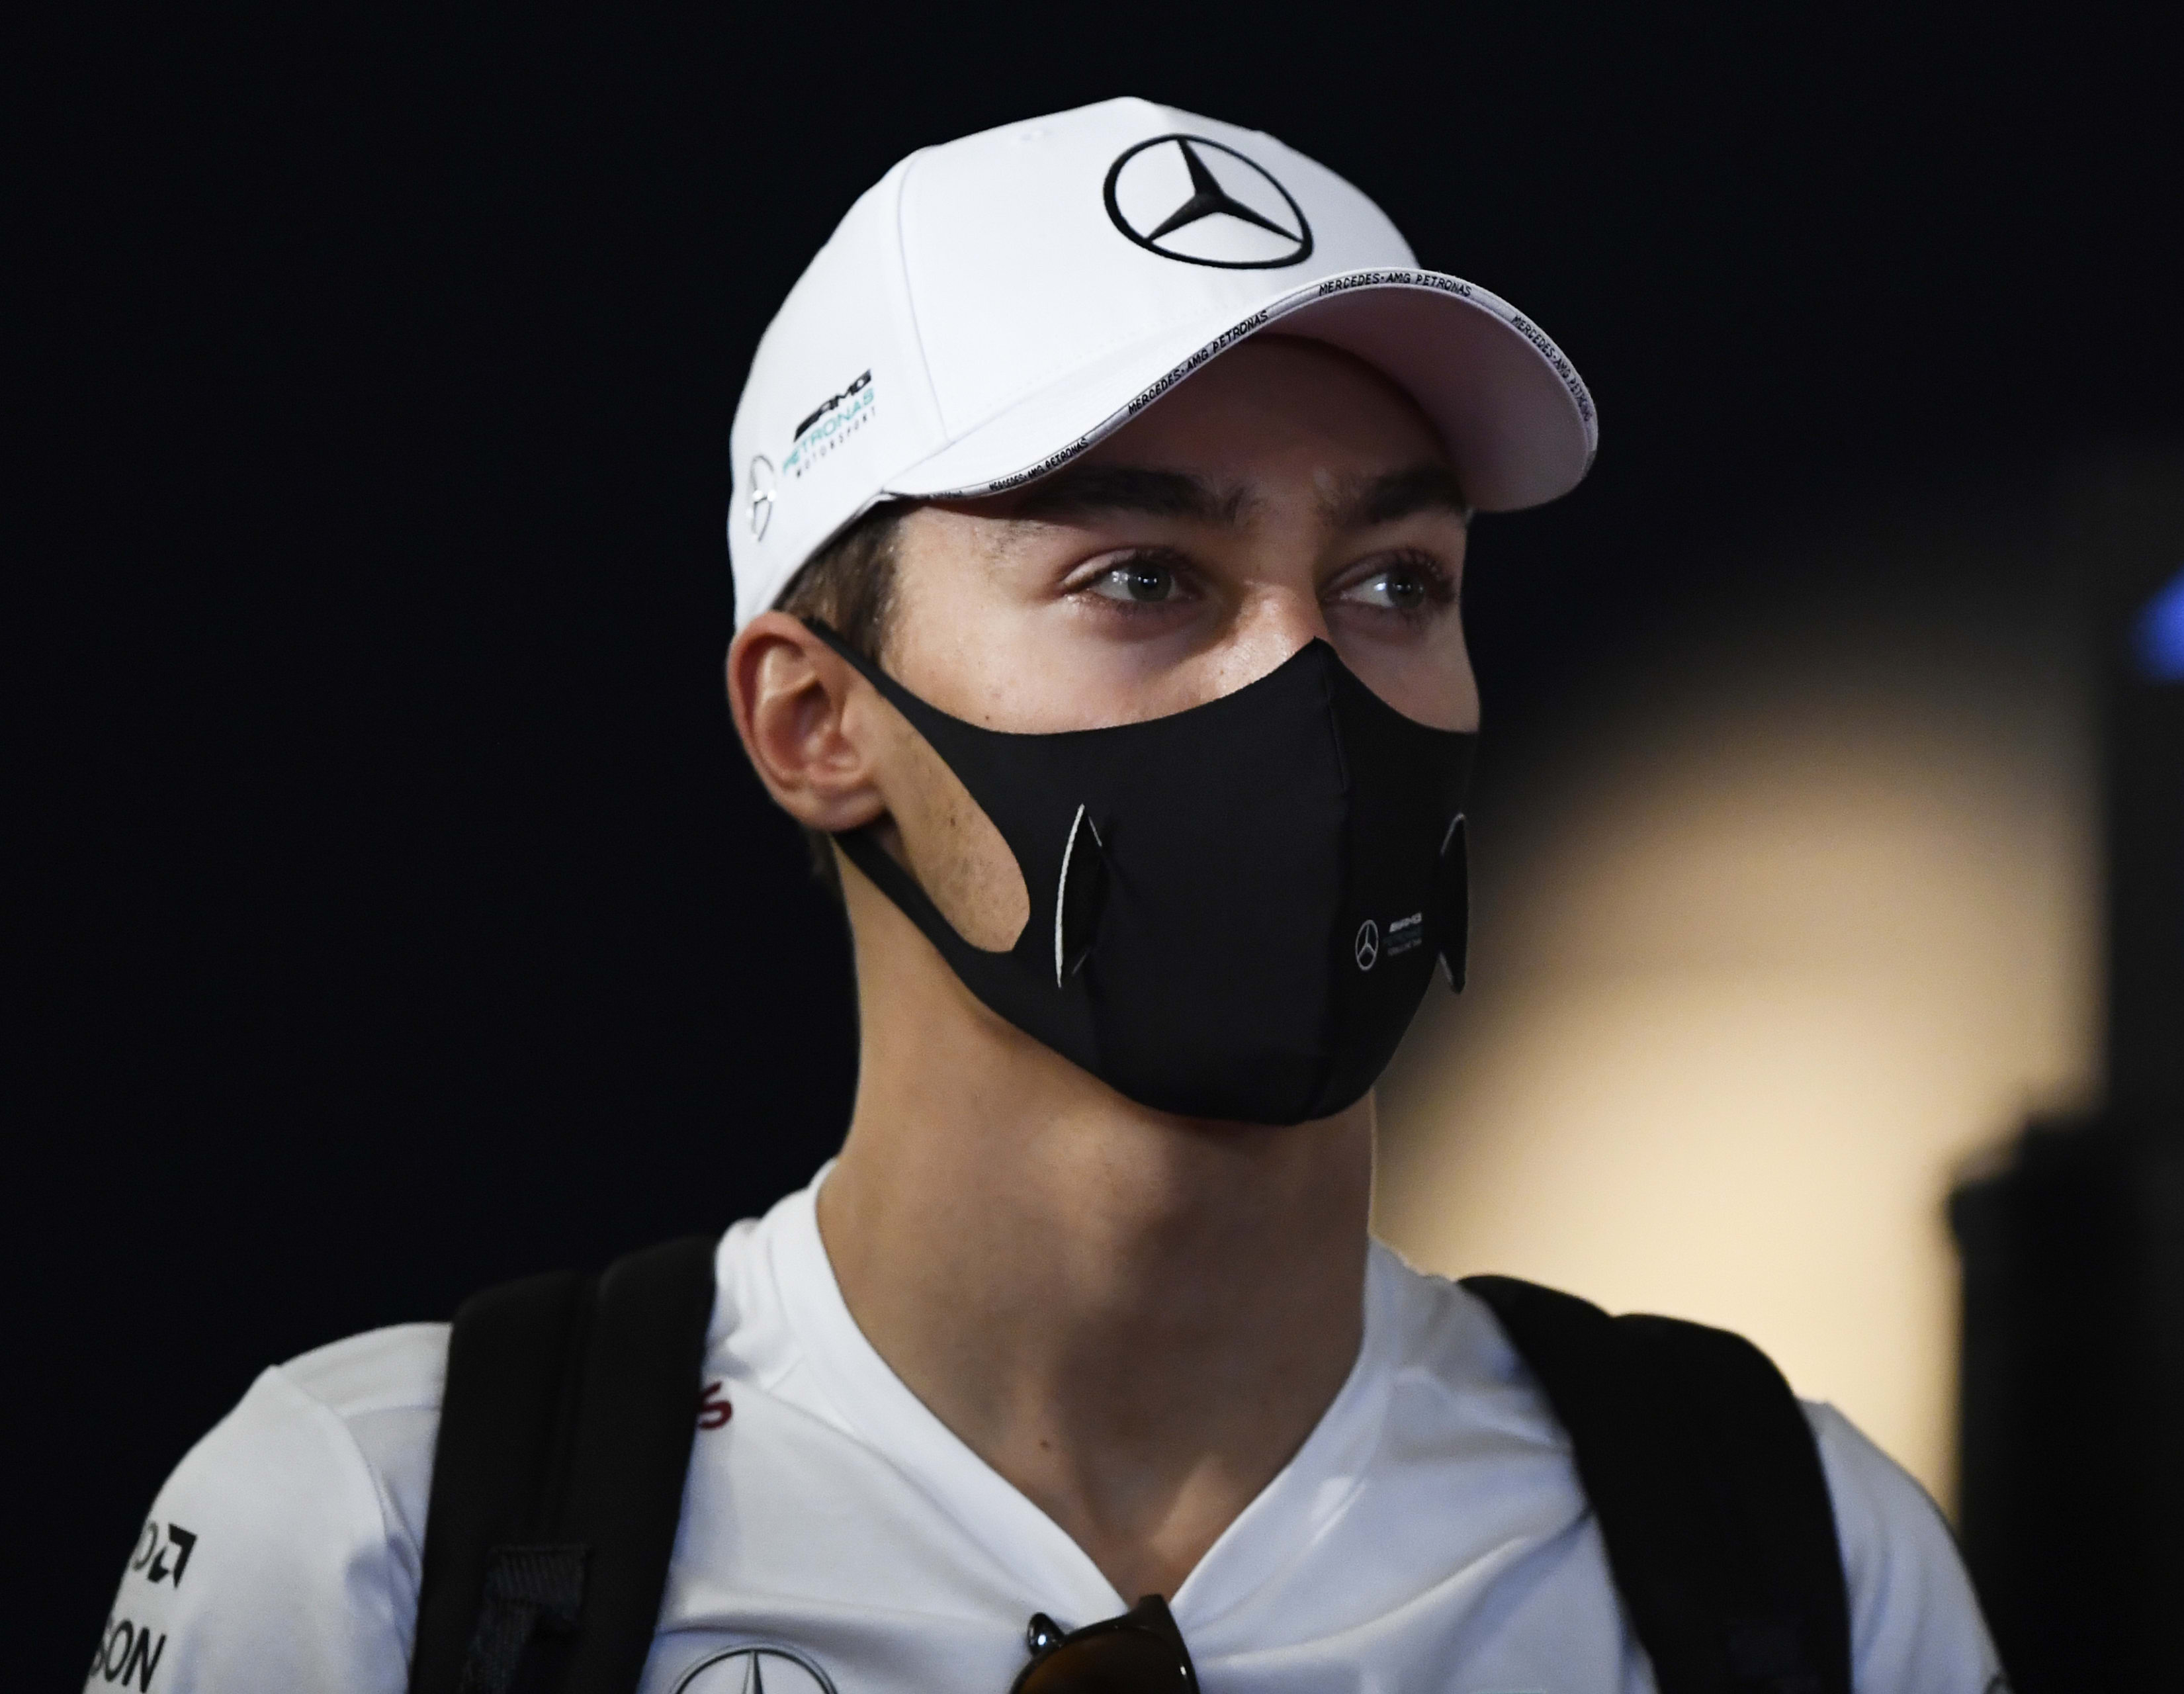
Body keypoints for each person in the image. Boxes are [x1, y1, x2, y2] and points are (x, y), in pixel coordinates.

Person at [91, 98, 2004, 1693]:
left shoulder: (1786, 1552)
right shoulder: (387, 1534)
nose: (1308, 680)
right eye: (1142, 579)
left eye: (1396, 581)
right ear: (817, 722)